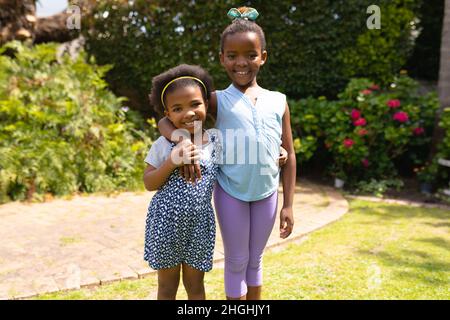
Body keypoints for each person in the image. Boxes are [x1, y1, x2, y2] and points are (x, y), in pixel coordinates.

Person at [158, 7, 296, 300]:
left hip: (267, 193)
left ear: (263, 57)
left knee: (256, 260)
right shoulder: (215, 99)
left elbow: (291, 155)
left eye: (250, 54)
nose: (241, 62)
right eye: (232, 56)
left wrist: (288, 205)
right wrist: (181, 141)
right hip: (231, 192)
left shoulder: (278, 101)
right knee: (236, 261)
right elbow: (165, 118)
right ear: (222, 59)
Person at [143, 64, 220, 300]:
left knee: (196, 286)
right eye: (178, 108)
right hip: (166, 223)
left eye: (195, 104)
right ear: (168, 114)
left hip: (200, 224)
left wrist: (278, 150)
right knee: (167, 287)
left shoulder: (217, 140)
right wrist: (171, 162)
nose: (188, 113)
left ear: (206, 104)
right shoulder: (163, 144)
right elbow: (148, 182)